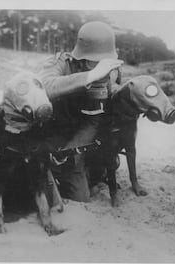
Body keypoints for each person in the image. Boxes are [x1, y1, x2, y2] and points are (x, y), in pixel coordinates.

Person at [38, 21, 123, 202]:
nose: (101, 65)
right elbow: (44, 85)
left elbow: (100, 110)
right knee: (78, 194)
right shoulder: (60, 62)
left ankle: (86, 167)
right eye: (96, 61)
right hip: (55, 131)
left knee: (104, 166)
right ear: (82, 55)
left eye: (104, 60)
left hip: (85, 132)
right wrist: (91, 75)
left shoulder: (110, 70)